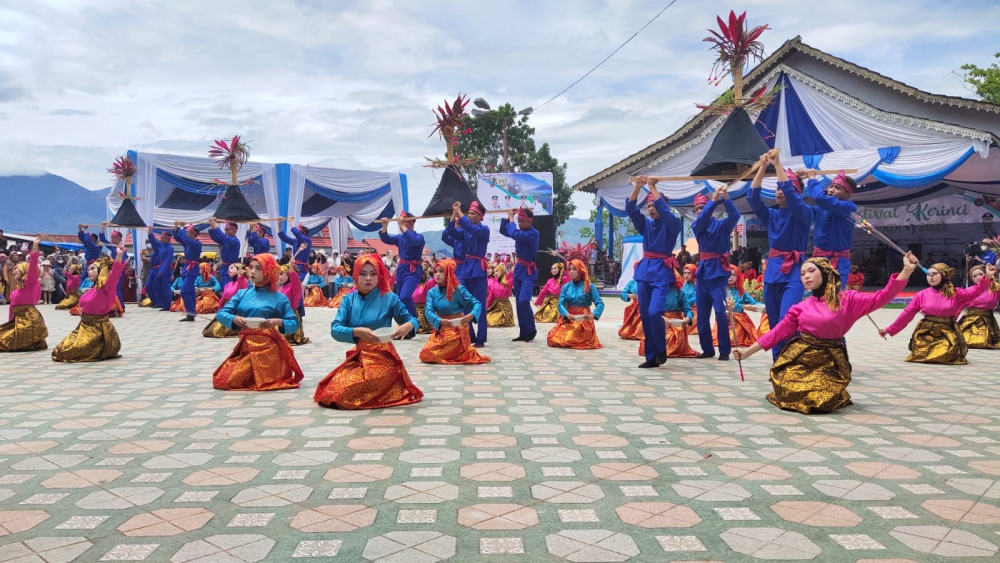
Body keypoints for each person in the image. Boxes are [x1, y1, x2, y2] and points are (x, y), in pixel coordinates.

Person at [734, 254, 921, 414]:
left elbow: (883, 296)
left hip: (831, 359)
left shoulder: (848, 300)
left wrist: (906, 271)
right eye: (802, 274)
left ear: (824, 272)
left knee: (820, 397)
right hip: (801, 356)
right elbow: (776, 334)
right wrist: (746, 352)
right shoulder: (800, 308)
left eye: (811, 271)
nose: (806, 276)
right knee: (788, 386)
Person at [314, 254, 422, 410]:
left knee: (351, 391)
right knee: (334, 392)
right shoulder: (348, 300)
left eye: (373, 273)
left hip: (384, 358)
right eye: (363, 274)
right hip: (359, 356)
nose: (368, 278)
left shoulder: (390, 298)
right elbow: (335, 329)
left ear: (379, 275)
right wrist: (356, 331)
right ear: (356, 275)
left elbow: (412, 320)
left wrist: (409, 325)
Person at [748, 152, 812, 359]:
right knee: (775, 322)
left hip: (794, 272)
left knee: (788, 319)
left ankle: (794, 360)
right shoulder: (772, 215)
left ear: (798, 195)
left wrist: (778, 166)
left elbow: (793, 198)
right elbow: (753, 198)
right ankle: (779, 364)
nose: (779, 191)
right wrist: (762, 167)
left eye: (785, 188)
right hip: (773, 272)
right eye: (777, 188)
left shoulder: (804, 213)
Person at [212, 253, 304, 391]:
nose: (253, 271)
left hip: (269, 350)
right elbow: (221, 314)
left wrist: (277, 322)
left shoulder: (279, 298)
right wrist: (234, 319)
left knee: (242, 379)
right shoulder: (242, 294)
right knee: (224, 379)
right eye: (251, 267)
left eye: (258, 268)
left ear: (268, 271)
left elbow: (294, 323)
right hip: (246, 347)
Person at [881, 262, 995, 364]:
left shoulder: (957, 293)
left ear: (944, 275)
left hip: (947, 333)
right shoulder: (922, 294)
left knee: (946, 353)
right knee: (922, 353)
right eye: (929, 274)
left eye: (935, 274)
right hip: (925, 333)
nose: (930, 277)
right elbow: (907, 313)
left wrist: (988, 276)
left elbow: (976, 291)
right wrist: (889, 329)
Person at [627, 176, 683, 367]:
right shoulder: (646, 225)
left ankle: (661, 348)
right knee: (645, 314)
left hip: (661, 273)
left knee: (654, 312)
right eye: (649, 205)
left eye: (654, 205)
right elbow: (631, 210)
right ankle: (651, 356)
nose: (650, 208)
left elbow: (666, 214)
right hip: (644, 273)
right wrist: (638, 187)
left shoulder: (673, 224)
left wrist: (652, 187)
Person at [52, 247, 127, 363]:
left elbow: (115, 274)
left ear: (101, 271)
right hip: (83, 327)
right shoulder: (92, 289)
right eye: (89, 269)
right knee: (59, 350)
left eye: (93, 269)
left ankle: (102, 347)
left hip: (98, 332)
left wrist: (118, 257)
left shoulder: (107, 288)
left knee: (70, 352)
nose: (89, 271)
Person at [692, 185, 741, 360]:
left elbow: (735, 215)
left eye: (701, 208)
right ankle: (707, 349)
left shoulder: (722, 225)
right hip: (703, 272)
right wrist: (712, 200)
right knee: (702, 314)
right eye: (697, 209)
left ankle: (724, 350)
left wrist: (725, 196)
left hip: (719, 273)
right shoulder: (697, 226)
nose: (699, 211)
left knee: (720, 312)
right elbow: (702, 219)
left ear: (710, 209)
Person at [419, 258, 490, 364]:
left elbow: (477, 304)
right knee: (425, 354)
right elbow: (428, 311)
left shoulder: (458, 290)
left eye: (441, 271)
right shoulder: (432, 292)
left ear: (448, 273)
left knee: (437, 353)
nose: (437, 275)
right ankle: (455, 353)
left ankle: (459, 350)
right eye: (435, 272)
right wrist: (439, 321)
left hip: (458, 329)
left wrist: (471, 315)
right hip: (441, 329)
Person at [806, 170, 857, 288]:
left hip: (838, 262)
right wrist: (791, 184)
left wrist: (812, 179)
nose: (831, 189)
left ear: (847, 195)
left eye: (837, 188)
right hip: (818, 260)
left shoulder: (849, 207)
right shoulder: (819, 209)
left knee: (835, 300)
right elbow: (799, 207)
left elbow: (821, 199)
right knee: (817, 299)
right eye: (831, 186)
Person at [449, 201, 490, 347]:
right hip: (467, 269)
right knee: (463, 303)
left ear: (480, 216)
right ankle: (470, 335)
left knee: (479, 304)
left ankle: (481, 338)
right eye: (469, 214)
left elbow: (472, 229)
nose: (470, 216)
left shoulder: (484, 230)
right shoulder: (466, 231)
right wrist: (455, 212)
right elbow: (451, 232)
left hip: (478, 269)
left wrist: (460, 212)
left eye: (472, 213)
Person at [379, 212, 424, 338]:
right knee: (400, 299)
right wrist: (385, 226)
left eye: (404, 221)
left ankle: (414, 323)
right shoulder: (400, 238)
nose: (400, 224)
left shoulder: (419, 237)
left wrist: (402, 225)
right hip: (402, 269)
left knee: (405, 296)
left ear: (411, 222)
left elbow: (414, 241)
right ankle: (405, 330)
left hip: (413, 270)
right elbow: (385, 238)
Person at [0, 238, 48, 352]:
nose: (13, 271)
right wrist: (10, 324)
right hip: (18, 322)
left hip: (29, 322)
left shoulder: (29, 282)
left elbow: (33, 265)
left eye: (16, 269)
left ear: (23, 270)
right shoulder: (19, 287)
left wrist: (34, 247)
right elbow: (12, 309)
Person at [500, 207, 540, 342]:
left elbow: (515, 234)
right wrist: (508, 217)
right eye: (519, 221)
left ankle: (531, 329)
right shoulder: (519, 231)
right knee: (518, 302)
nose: (520, 224)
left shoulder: (533, 233)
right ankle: (523, 332)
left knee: (524, 300)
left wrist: (512, 218)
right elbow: (504, 230)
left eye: (522, 221)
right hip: (519, 271)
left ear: (530, 221)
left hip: (529, 272)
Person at [547, 259, 604, 349]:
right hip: (569, 318)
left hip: (584, 319)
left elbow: (600, 303)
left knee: (574, 338)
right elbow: (560, 304)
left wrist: (593, 315)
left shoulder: (589, 286)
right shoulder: (566, 287)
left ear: (580, 270)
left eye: (574, 269)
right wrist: (566, 314)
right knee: (553, 339)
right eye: (570, 269)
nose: (571, 272)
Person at [712, 265, 762, 348]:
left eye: (734, 275)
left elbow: (753, 302)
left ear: (738, 276)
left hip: (739, 322)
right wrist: (743, 306)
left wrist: (764, 307)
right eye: (728, 275)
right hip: (725, 320)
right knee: (728, 338)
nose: (731, 277)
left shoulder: (741, 291)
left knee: (735, 338)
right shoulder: (720, 290)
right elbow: (725, 304)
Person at [958, 264, 1000, 349]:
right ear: (972, 279)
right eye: (974, 276)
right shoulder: (968, 290)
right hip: (970, 320)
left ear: (986, 274)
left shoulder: (995, 288)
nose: (978, 277)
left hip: (987, 320)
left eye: (981, 274)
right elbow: (958, 305)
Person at [204, 263, 248, 338]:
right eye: (228, 269)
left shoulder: (242, 282)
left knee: (216, 332)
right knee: (209, 331)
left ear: (238, 270)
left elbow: (242, 288)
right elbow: (222, 299)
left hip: (235, 311)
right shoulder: (228, 284)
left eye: (231, 268)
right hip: (226, 309)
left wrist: (241, 277)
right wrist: (219, 310)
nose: (229, 270)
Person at [173, 222, 203, 322]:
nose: (186, 234)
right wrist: (176, 228)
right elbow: (178, 238)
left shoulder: (197, 244)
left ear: (194, 233)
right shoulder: (188, 243)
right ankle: (191, 313)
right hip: (187, 268)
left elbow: (184, 238)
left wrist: (182, 227)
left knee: (184, 291)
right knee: (190, 291)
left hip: (192, 269)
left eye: (188, 232)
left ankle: (190, 311)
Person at [99, 222, 128, 309]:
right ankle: (115, 305)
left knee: (117, 288)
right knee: (113, 287)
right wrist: (103, 228)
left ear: (119, 239)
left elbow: (123, 261)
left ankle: (121, 305)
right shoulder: (112, 247)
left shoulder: (122, 248)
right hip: (113, 270)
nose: (111, 239)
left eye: (113, 238)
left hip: (119, 271)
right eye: (111, 237)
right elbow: (103, 239)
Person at [280, 264, 310, 346]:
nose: (280, 277)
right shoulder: (281, 287)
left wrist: (291, 269)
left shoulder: (294, 287)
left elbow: (294, 279)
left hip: (291, 315)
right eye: (279, 274)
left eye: (282, 274)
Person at [412, 269, 436, 335]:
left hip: (424, 307)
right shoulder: (413, 284)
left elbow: (435, 280)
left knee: (426, 326)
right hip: (414, 307)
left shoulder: (427, 284)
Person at [680, 264, 698, 335]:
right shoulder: (681, 283)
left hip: (694, 310)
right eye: (684, 273)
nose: (686, 275)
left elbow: (696, 299)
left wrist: (686, 304)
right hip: (683, 308)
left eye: (689, 273)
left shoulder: (697, 284)